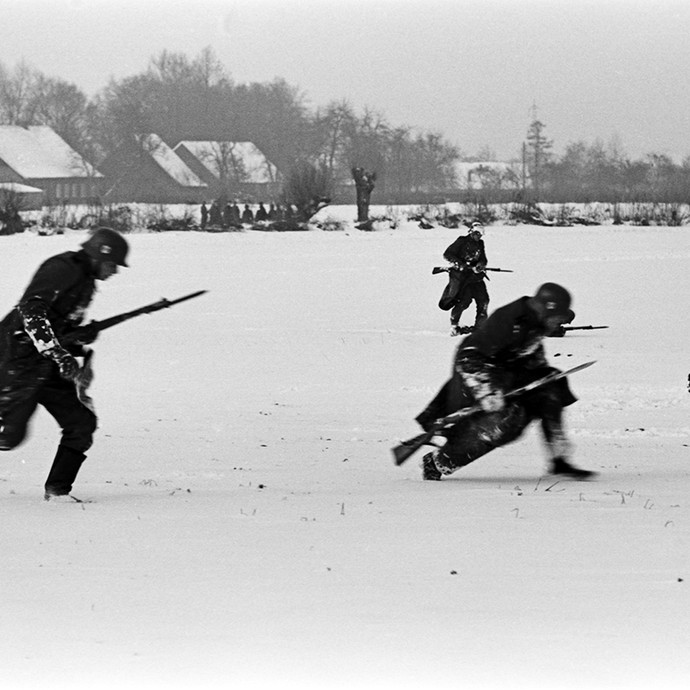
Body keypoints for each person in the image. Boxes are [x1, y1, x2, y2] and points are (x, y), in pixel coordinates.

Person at [416, 282, 596, 481]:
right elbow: (469, 357)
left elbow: (529, 358)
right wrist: (487, 392)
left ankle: (559, 459)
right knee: (506, 422)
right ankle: (439, 462)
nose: (559, 323)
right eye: (557, 318)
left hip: (507, 376)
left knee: (550, 390)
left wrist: (542, 376)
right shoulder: (508, 319)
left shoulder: (536, 322)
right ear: (546, 309)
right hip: (476, 377)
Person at [0, 227, 129, 500]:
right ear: (98, 256)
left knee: (81, 424)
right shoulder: (62, 268)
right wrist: (56, 351)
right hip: (16, 362)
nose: (114, 271)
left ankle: (57, 493)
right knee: (8, 437)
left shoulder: (85, 281)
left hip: (47, 367)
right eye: (112, 264)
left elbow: (59, 325)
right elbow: (31, 311)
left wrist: (77, 340)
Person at [439, 222, 490, 336]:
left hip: (476, 277)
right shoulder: (461, 241)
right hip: (462, 278)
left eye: (481, 234)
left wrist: (480, 265)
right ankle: (454, 326)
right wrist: (460, 264)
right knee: (464, 301)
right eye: (477, 233)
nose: (479, 236)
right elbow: (447, 254)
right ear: (472, 232)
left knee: (484, 301)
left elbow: (483, 259)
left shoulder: (480, 244)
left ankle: (480, 328)